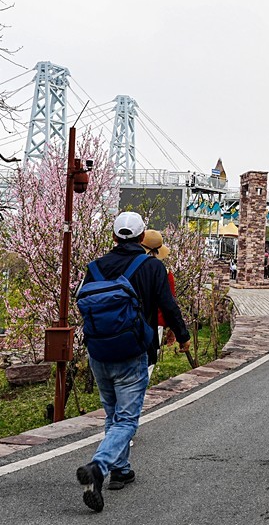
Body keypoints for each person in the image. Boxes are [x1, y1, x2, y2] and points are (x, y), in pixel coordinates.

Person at [76, 211, 191, 513]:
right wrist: (183, 335)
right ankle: (99, 467)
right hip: (133, 351)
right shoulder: (152, 266)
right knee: (126, 419)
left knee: (113, 415)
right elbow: (168, 304)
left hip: (99, 352)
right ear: (142, 238)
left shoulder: (95, 268)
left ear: (113, 237)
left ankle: (121, 470)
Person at [140, 229, 175, 378]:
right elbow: (170, 303)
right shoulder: (165, 272)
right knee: (147, 363)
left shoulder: (128, 267)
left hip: (127, 320)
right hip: (156, 323)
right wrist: (173, 328)